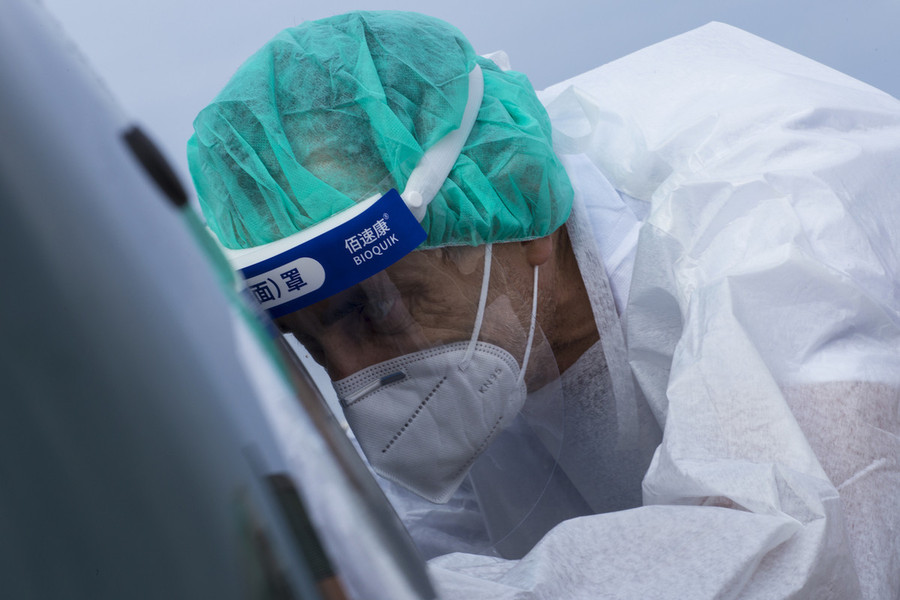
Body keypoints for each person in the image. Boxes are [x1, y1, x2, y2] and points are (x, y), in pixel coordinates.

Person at [188, 11, 900, 599]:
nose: (360, 379)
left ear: (523, 212)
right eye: (313, 345)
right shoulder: (483, 334)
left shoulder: (775, 223)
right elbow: (421, 550)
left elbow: (810, 561)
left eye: (375, 307)